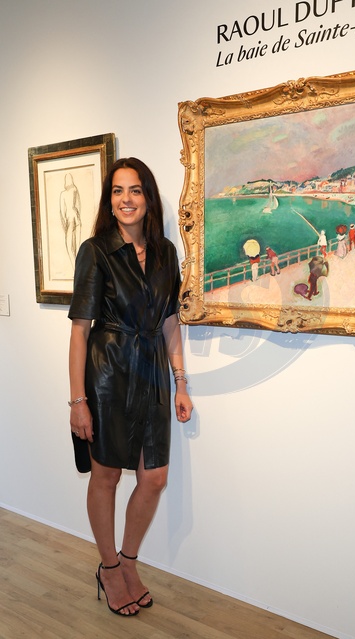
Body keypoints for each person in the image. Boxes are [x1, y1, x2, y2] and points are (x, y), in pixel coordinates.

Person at [68, 157, 193, 617]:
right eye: (118, 191)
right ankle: (109, 568)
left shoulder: (165, 253)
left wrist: (180, 382)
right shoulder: (95, 251)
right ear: (109, 201)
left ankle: (128, 561)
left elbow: (170, 322)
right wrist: (78, 400)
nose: (126, 199)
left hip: (153, 373)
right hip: (107, 374)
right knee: (106, 476)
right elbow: (79, 332)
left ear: (148, 198)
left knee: (154, 478)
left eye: (135, 190)